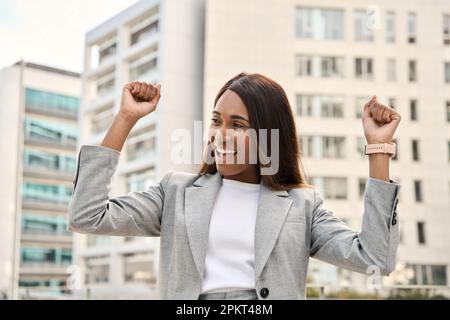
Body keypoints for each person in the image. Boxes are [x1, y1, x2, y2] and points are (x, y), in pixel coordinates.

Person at [68, 72, 402, 300]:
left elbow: (374, 257)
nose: (220, 134)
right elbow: (88, 216)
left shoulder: (302, 204)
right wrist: (125, 118)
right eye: (216, 121)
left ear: (270, 135)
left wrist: (379, 150)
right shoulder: (175, 192)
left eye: (239, 125)